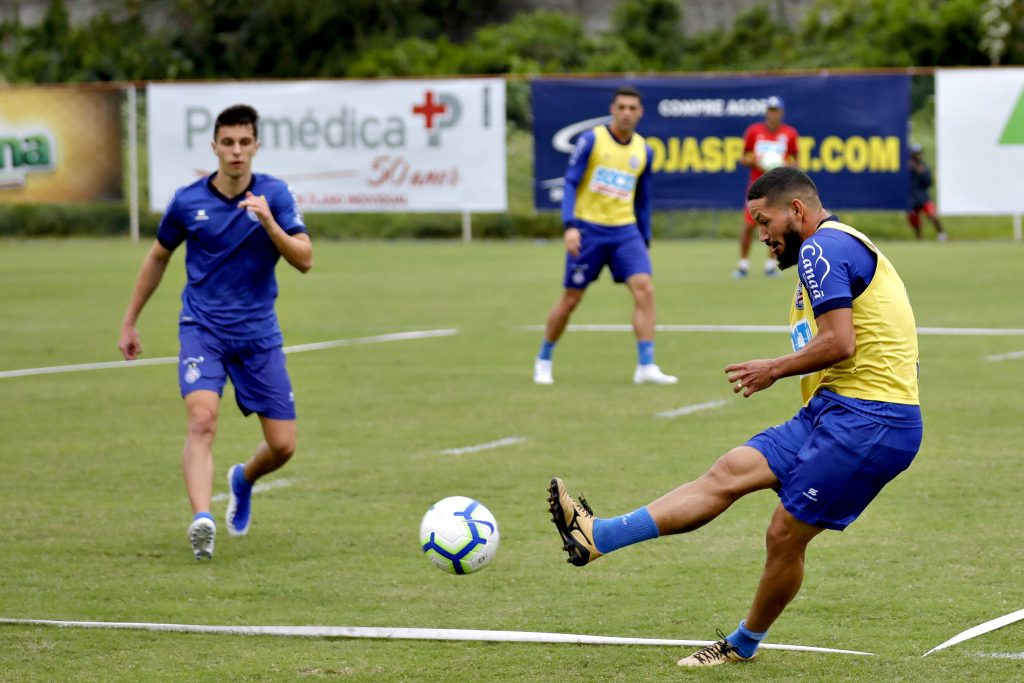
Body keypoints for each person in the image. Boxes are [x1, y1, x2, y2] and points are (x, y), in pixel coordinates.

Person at [548, 167, 922, 667]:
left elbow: (840, 342)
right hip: (833, 409)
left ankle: (742, 644)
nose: (761, 234)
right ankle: (598, 537)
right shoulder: (831, 247)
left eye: (764, 221)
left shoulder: (822, 249)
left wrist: (774, 368)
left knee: (783, 535)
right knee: (728, 472)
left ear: (796, 211)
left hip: (871, 420)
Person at [118, 104, 313, 560]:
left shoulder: (276, 196)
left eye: (245, 143)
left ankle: (242, 480)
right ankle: (202, 519)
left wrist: (269, 223)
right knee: (202, 419)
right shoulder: (188, 201)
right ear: (215, 147)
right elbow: (158, 256)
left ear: (256, 146)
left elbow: (304, 259)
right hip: (203, 329)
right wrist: (130, 320)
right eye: (228, 143)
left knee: (283, 446)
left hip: (259, 335)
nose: (237, 152)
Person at [533, 85, 677, 386]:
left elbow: (643, 198)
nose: (626, 113)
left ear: (640, 113)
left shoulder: (643, 149)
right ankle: (544, 359)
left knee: (645, 289)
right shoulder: (591, 140)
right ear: (613, 109)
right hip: (588, 229)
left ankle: (646, 365)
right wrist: (570, 225)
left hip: (625, 231)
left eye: (632, 108)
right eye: (621, 107)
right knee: (572, 298)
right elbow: (571, 183)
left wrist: (644, 237)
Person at [734, 96, 799, 278]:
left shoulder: (790, 133)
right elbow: (743, 158)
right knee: (749, 226)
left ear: (781, 113)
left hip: (778, 188)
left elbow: (796, 161)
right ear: (766, 113)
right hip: (756, 188)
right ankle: (743, 265)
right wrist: (756, 160)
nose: (773, 114)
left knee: (776, 227)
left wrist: (784, 164)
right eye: (770, 110)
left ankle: (771, 265)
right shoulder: (754, 131)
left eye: (776, 111)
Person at [907, 143, 947, 241]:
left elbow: (928, 183)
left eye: (918, 153)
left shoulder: (923, 167)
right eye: (914, 154)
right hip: (911, 198)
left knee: (932, 215)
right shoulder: (907, 168)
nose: (916, 156)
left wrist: (921, 173)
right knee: (915, 220)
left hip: (923, 197)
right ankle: (919, 238)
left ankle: (941, 234)